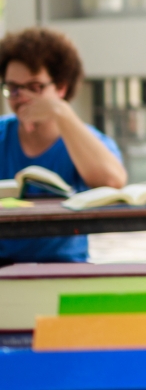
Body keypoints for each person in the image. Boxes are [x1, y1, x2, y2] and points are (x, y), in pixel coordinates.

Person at [0, 28, 126, 264]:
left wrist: (60, 111)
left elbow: (112, 181)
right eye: (13, 88)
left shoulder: (83, 138)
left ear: (61, 87)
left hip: (65, 265)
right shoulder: (2, 134)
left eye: (35, 87)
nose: (22, 97)